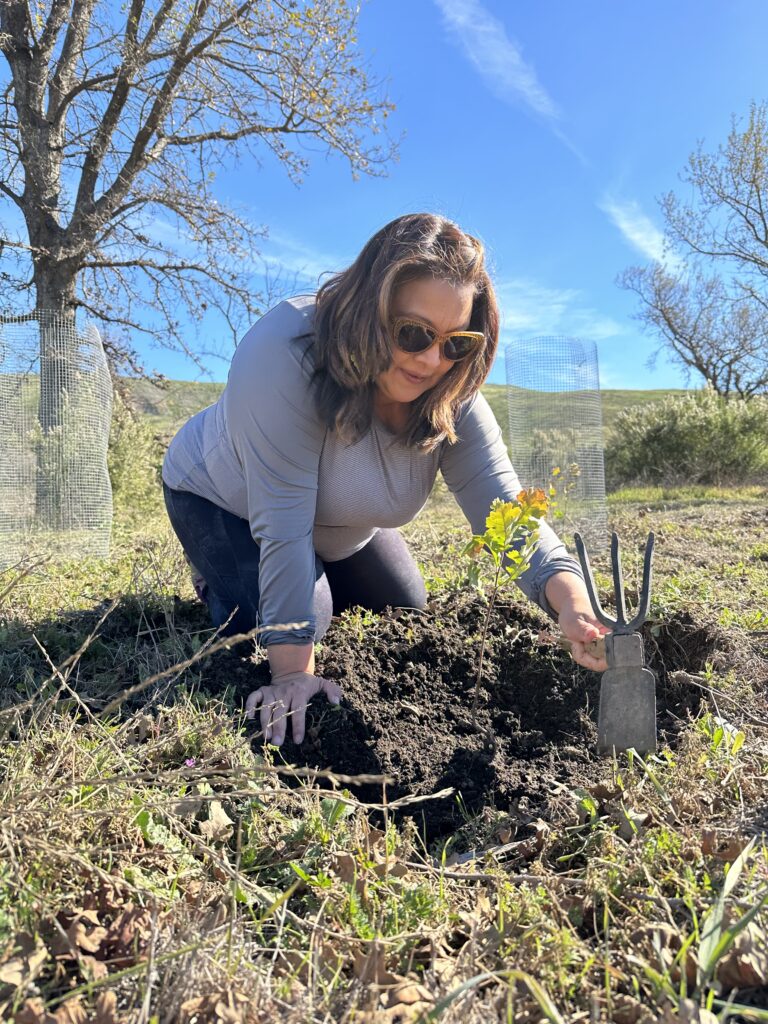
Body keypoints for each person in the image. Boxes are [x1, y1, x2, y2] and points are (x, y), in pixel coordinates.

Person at [162, 213, 609, 746]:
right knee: (301, 622)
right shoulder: (285, 351)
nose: (431, 360)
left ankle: (315, 570)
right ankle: (215, 579)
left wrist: (574, 604)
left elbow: (507, 513)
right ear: (367, 310)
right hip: (222, 499)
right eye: (413, 333)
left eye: (456, 342)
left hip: (339, 526)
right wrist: (290, 675)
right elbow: (282, 524)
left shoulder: (451, 392)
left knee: (404, 612)